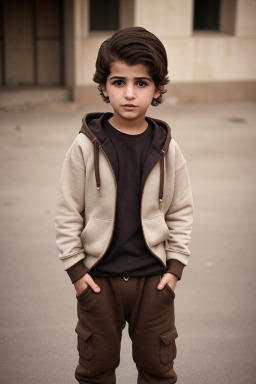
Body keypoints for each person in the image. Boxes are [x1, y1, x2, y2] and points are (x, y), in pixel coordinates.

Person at [55, 26, 193, 384]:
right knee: (95, 369)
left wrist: (174, 270)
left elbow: (180, 211)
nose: (129, 93)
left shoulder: (168, 149)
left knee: (158, 370)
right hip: (98, 279)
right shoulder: (85, 146)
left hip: (154, 281)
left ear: (158, 88)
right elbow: (68, 210)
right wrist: (76, 272)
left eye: (141, 83)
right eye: (119, 82)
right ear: (103, 86)